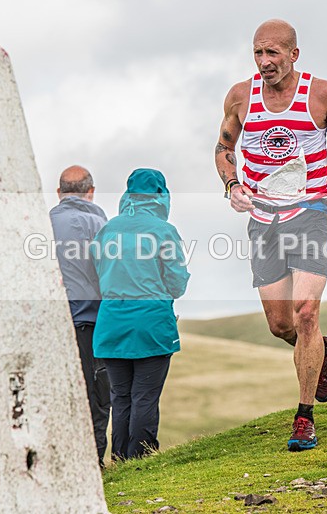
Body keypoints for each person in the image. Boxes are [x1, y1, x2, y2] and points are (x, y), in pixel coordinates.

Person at [214, 19, 327, 451]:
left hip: (311, 212)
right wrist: (233, 186)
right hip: (264, 218)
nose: (265, 62)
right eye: (258, 53)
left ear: (293, 55)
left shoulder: (321, 94)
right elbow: (224, 148)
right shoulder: (241, 96)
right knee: (282, 325)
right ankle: (325, 350)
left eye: (273, 53)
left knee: (304, 313)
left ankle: (304, 418)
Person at [92, 168, 190, 460]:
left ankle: (120, 458)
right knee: (145, 396)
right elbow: (176, 282)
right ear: (161, 195)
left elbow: (98, 273)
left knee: (120, 398)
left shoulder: (108, 229)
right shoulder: (164, 231)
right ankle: (141, 458)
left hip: (111, 323)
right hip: (152, 323)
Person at [49, 165, 111, 468]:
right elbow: (111, 273)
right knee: (97, 394)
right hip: (92, 321)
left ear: (59, 193)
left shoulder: (42, 224)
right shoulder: (101, 225)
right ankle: (93, 463)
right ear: (91, 191)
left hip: (51, 324)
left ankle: (58, 462)